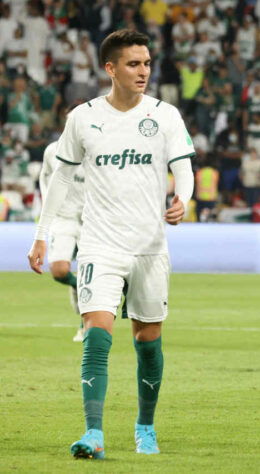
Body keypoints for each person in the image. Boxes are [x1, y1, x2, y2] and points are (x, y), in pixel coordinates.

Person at [27, 29, 195, 460]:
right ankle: (94, 433)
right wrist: (42, 235)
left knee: (148, 342)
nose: (143, 71)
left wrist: (183, 198)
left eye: (146, 63)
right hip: (100, 245)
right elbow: (61, 180)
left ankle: (145, 426)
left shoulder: (166, 116)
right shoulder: (83, 118)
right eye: (134, 64)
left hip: (150, 248)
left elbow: (184, 166)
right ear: (111, 69)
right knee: (98, 335)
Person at [39, 140, 86, 342]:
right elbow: (45, 179)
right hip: (63, 218)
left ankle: (85, 327)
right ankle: (77, 284)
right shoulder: (53, 150)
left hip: (90, 220)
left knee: (90, 274)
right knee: (59, 271)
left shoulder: (98, 147)